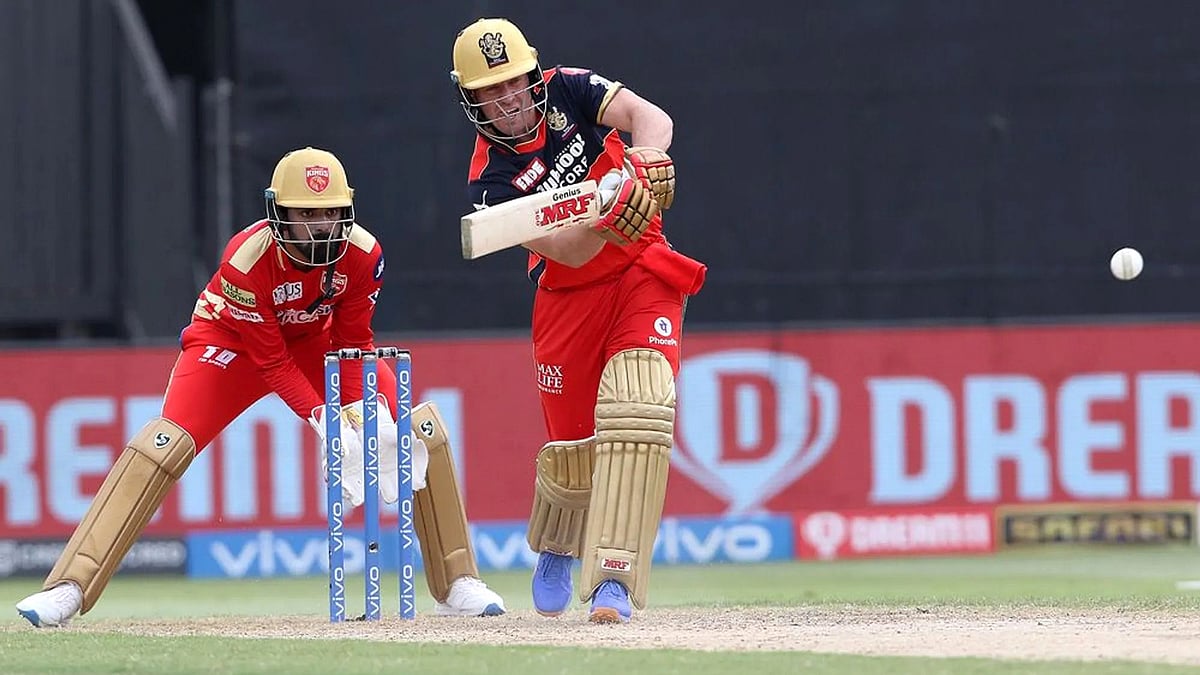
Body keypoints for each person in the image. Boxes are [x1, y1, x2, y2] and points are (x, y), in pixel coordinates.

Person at [15, 147, 505, 627]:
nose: (321, 227)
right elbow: (270, 361)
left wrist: (360, 411)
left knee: (416, 428)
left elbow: (354, 344)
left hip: (315, 343)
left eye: (331, 213)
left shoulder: (363, 254)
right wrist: (324, 416)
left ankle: (457, 581)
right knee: (163, 444)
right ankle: (69, 586)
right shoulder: (246, 261)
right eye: (306, 214)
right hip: (230, 343)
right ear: (278, 214)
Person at [450, 19, 706, 623]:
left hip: (642, 268)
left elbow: (651, 117)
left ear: (533, 75)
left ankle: (614, 578)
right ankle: (559, 545)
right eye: (491, 91)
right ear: (472, 100)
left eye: (513, 82)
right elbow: (567, 251)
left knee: (640, 409)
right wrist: (610, 210)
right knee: (572, 449)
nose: (507, 99)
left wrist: (645, 161)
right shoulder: (489, 180)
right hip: (567, 296)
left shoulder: (568, 87)